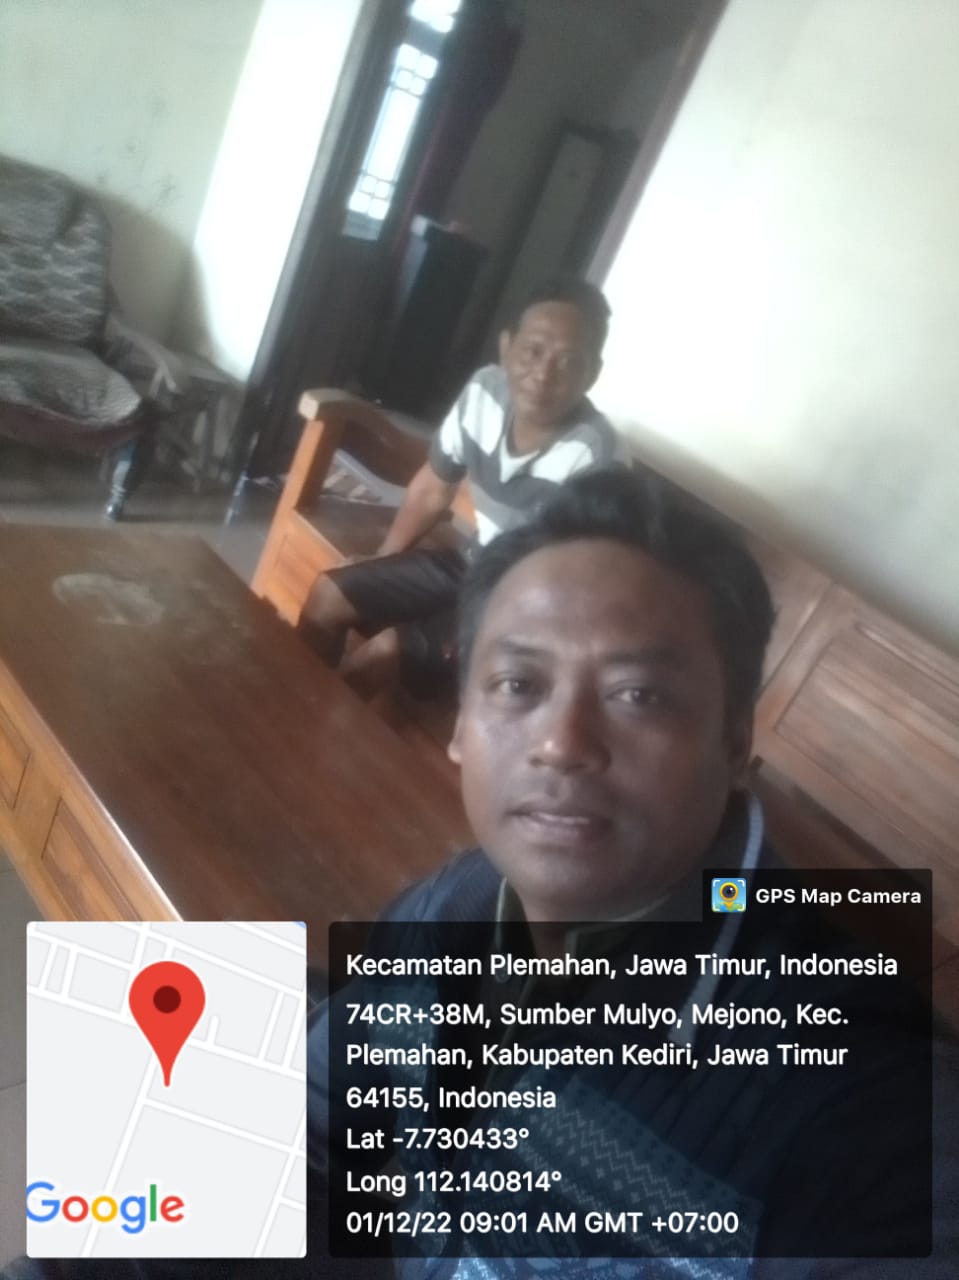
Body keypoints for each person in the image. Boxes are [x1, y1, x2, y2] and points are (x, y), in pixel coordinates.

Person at [5, 472, 956, 1279]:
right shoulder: (461, 896)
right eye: (517, 685)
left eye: (638, 694)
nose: (562, 743)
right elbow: (327, 1122)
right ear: (460, 724)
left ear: (734, 739)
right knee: (151, 1030)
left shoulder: (874, 1119)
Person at [297, 277, 629, 698]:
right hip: (472, 564)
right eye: (533, 351)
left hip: (521, 608)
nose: (544, 375)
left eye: (567, 362)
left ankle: (314, 732)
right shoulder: (483, 393)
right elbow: (433, 488)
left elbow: (576, 590)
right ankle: (293, 707)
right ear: (507, 347)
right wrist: (383, 557)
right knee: (328, 594)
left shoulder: (599, 459)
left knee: (385, 652)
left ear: (592, 374)